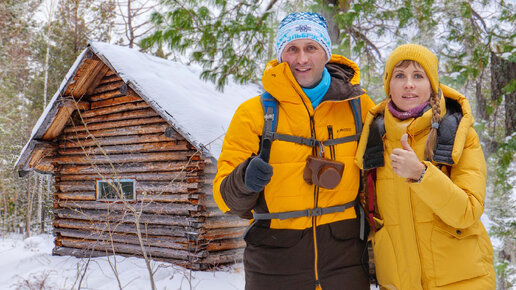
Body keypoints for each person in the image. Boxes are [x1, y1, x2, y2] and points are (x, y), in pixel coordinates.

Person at [213, 12, 375, 290]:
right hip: (275, 265)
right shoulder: (253, 114)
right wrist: (244, 180)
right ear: (280, 56)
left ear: (326, 53)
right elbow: (226, 200)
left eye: (311, 47)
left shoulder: (358, 107)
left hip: (345, 261)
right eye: (292, 49)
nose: (301, 59)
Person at [355, 44, 496, 289]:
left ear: (432, 84)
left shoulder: (459, 133)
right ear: (389, 85)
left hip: (461, 282)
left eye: (418, 76)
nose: (408, 84)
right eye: (400, 76)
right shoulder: (373, 138)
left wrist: (421, 175)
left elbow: (467, 211)